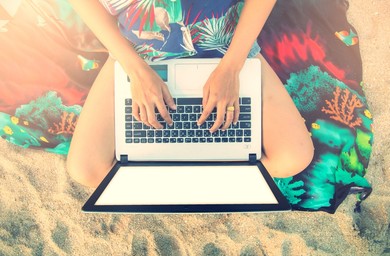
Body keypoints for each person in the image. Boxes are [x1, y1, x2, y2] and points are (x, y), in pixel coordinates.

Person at [66, 0, 314, 188]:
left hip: (224, 43)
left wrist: (231, 68)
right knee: (85, 170)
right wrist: (136, 71)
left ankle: (196, 182)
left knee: (293, 157)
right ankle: (196, 181)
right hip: (141, 52)